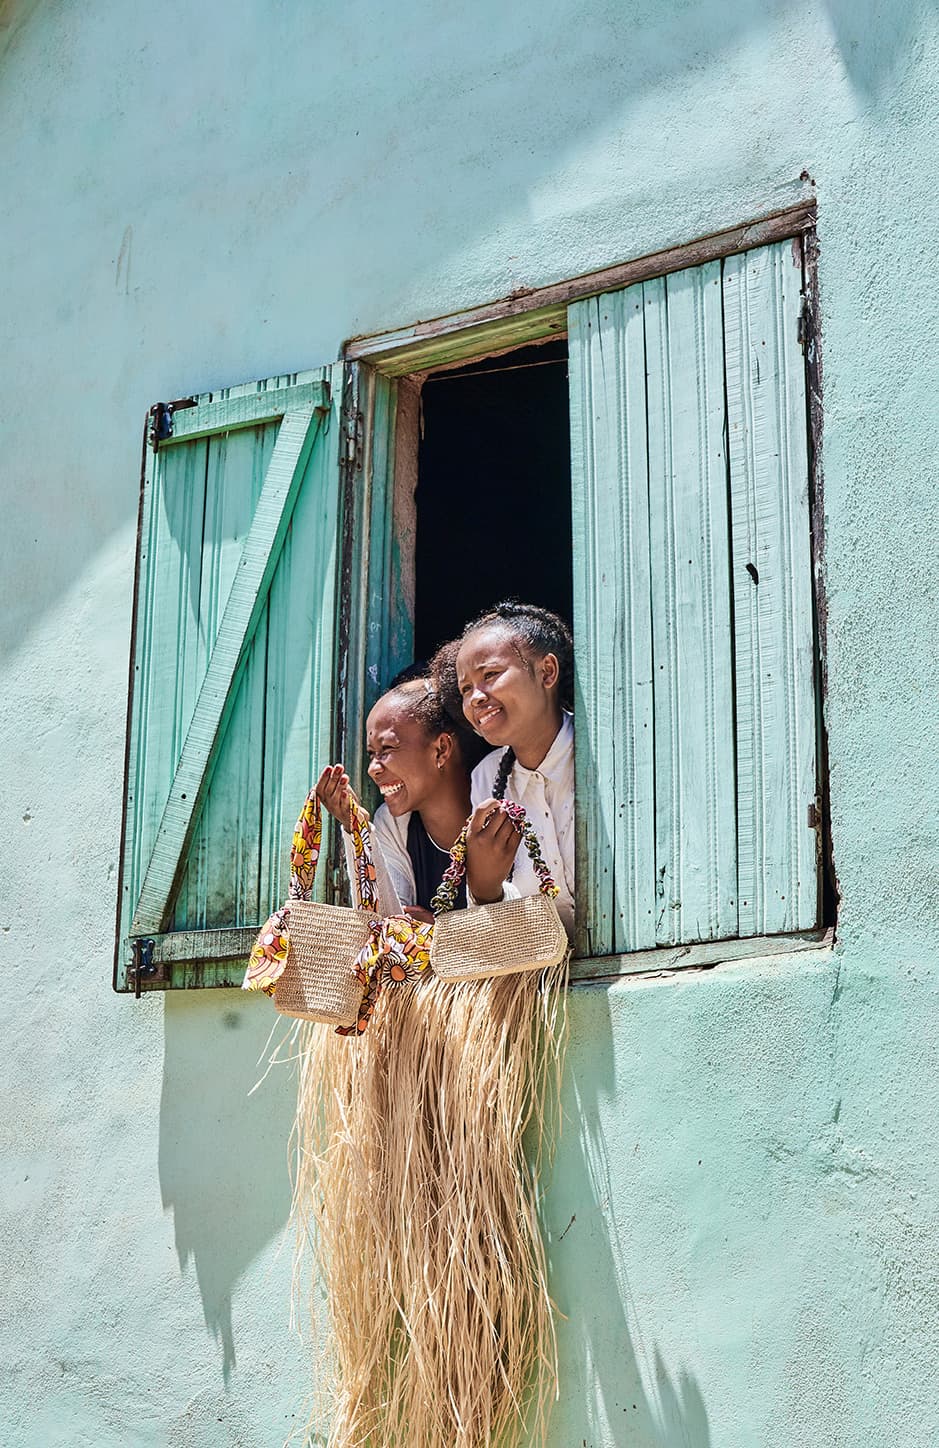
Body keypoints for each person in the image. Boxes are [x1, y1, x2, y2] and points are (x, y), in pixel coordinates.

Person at [446, 601, 575, 935]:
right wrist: (485, 888)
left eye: (490, 675)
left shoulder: (605, 754)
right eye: (465, 689)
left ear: (547, 672)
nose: (475, 698)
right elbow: (502, 928)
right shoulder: (487, 779)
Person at [316, 673, 477, 921]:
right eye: (372, 754)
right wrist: (357, 830)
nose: (372, 769)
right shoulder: (392, 824)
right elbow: (387, 922)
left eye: (387, 749)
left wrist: (438, 929)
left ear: (441, 749)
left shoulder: (500, 806)